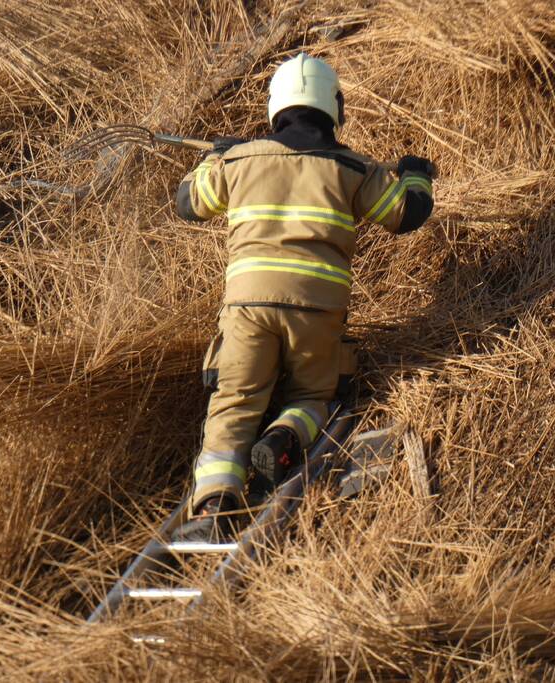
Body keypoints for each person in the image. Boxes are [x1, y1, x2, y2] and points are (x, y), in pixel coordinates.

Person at [172, 52, 435, 542]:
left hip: (249, 310)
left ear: (275, 106)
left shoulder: (238, 162)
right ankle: (285, 436)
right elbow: (408, 214)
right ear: (334, 107)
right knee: (313, 396)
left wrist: (216, 156)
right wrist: (415, 173)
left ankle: (213, 506)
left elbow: (188, 202)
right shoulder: (354, 169)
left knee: (235, 401)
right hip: (318, 310)